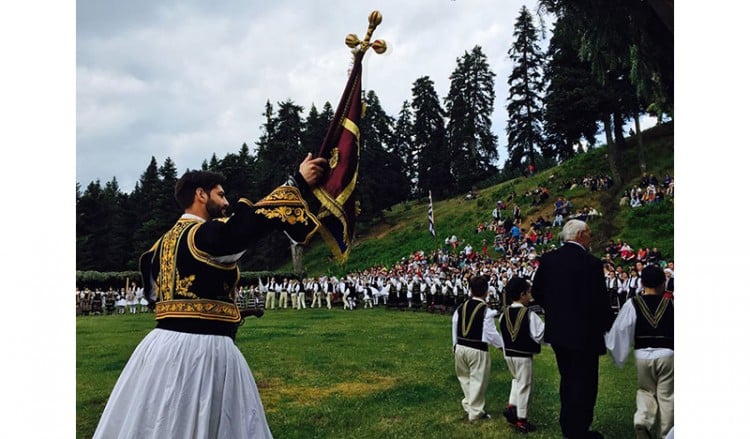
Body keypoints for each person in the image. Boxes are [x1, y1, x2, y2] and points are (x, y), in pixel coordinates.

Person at [92, 153, 327, 438]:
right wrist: (297, 182)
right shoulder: (203, 235)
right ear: (200, 195)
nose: (227, 202)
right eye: (221, 194)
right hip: (203, 351)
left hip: (157, 349)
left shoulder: (157, 247)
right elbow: (249, 226)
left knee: (157, 420)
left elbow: (157, 296)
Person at [531, 219, 615, 439]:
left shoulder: (549, 260)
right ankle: (579, 430)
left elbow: (537, 291)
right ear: (580, 235)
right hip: (585, 334)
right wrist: (607, 325)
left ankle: (569, 425)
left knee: (568, 379)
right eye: (588, 234)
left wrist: (556, 311)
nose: (590, 238)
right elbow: (600, 301)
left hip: (559, 333)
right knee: (586, 383)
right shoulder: (591, 263)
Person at [605, 265, 674, 439]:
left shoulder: (632, 303)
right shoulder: (672, 303)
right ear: (663, 283)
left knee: (645, 391)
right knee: (667, 396)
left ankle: (643, 419)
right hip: (668, 354)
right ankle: (666, 434)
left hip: (642, 354)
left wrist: (619, 354)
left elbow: (621, 329)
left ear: (642, 283)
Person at [452, 275, 503, 422]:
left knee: (464, 378)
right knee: (478, 380)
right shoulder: (486, 311)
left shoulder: (460, 307)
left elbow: (455, 325)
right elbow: (491, 333)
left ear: (470, 290)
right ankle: (475, 413)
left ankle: (469, 404)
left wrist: (454, 344)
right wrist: (502, 347)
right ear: (487, 291)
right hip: (477, 348)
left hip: (460, 346)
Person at [497, 277, 545, 434]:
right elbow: (539, 335)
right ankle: (521, 419)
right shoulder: (529, 314)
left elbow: (503, 335)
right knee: (525, 385)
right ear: (523, 294)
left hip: (509, 354)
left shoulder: (504, 314)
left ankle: (512, 407)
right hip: (524, 355)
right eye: (528, 291)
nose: (530, 294)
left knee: (516, 380)